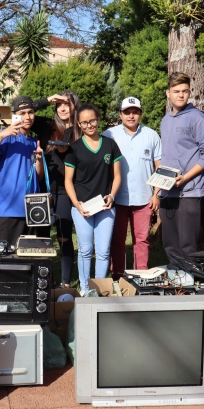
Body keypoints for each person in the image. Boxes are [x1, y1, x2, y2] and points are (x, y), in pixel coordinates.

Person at [158, 72, 204, 259]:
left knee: (188, 246)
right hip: (167, 190)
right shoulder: (166, 120)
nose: (181, 95)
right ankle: (176, 283)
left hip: (190, 192)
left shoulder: (198, 118)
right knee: (170, 244)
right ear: (168, 93)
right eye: (176, 91)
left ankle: (190, 284)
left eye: (185, 91)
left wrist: (186, 177)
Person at [64, 104, 122, 294]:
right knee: (86, 249)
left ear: (98, 120)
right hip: (83, 207)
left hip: (105, 207)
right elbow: (68, 181)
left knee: (104, 250)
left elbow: (118, 176)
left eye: (93, 120)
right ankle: (85, 288)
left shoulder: (110, 145)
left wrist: (112, 195)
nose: (89, 125)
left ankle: (99, 288)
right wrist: (76, 204)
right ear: (79, 125)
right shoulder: (74, 149)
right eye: (84, 122)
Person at [103, 97, 161, 278]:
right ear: (120, 114)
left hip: (144, 199)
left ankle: (141, 276)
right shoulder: (109, 135)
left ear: (140, 113)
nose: (131, 115)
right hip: (117, 199)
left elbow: (159, 167)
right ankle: (118, 275)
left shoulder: (151, 135)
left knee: (141, 240)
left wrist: (156, 194)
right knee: (118, 239)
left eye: (135, 111)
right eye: (127, 112)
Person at [0, 96, 44, 247]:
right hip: (8, 212)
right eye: (22, 113)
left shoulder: (35, 142)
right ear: (15, 115)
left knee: (29, 263)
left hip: (33, 212)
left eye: (31, 112)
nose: (27, 117)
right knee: (4, 263)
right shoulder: (7, 138)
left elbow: (39, 177)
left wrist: (39, 159)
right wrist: (1, 135)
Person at [38, 91, 80, 288]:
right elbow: (22, 111)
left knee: (63, 235)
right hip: (44, 188)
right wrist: (47, 100)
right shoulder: (47, 126)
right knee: (43, 237)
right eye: (59, 104)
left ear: (74, 107)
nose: (63, 108)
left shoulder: (80, 130)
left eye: (67, 104)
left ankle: (64, 281)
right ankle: (44, 278)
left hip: (65, 190)